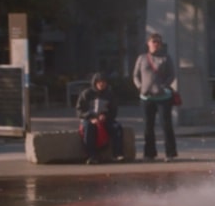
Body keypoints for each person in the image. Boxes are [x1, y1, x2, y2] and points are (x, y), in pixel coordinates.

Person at [132, 32, 177, 161]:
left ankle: (170, 153)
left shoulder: (166, 58)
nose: (156, 44)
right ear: (148, 43)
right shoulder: (142, 58)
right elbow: (135, 75)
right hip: (146, 98)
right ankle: (149, 153)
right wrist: (139, 86)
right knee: (148, 126)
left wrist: (164, 86)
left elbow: (172, 75)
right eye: (154, 41)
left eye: (158, 42)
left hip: (163, 98)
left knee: (166, 125)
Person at [75, 72, 124, 163]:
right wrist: (90, 117)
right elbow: (79, 111)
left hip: (105, 119)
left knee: (117, 127)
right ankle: (91, 156)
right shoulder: (86, 94)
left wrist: (106, 116)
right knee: (89, 128)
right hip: (89, 119)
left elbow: (113, 111)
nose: (102, 84)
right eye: (100, 82)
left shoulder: (109, 95)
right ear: (95, 83)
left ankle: (117, 154)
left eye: (104, 82)